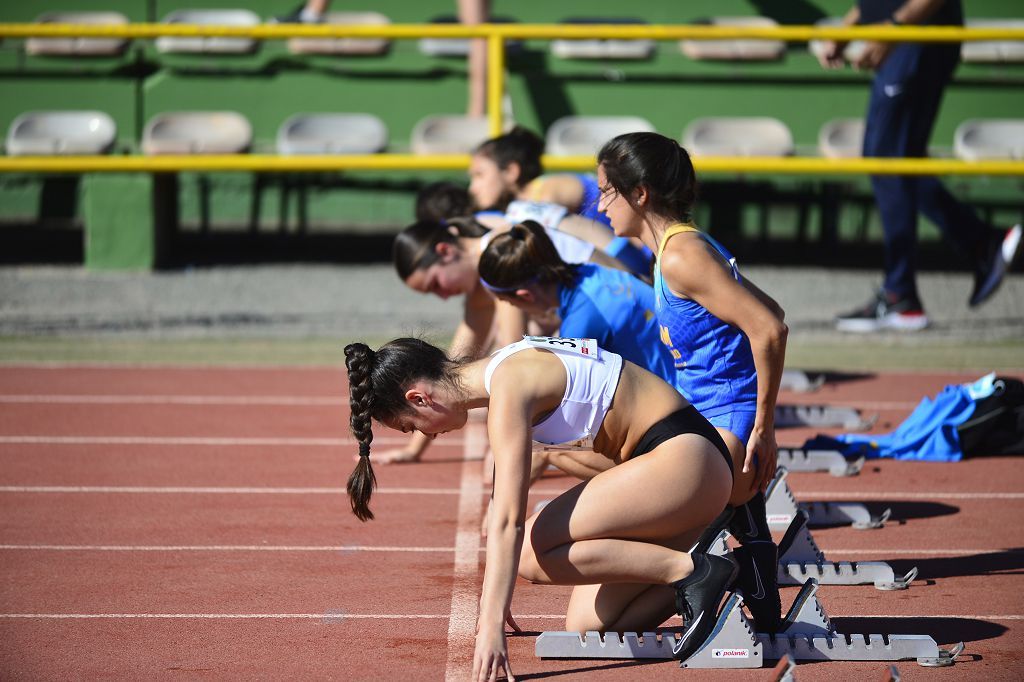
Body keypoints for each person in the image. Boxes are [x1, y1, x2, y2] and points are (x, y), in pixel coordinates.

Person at [343, 335, 737, 676]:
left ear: (419, 398)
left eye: (412, 426)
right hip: (683, 470)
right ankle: (734, 573)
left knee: (532, 549)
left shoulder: (509, 384)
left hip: (686, 460)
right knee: (591, 629)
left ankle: (693, 569)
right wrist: (496, 598)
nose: (427, 435)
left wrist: (491, 621)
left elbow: (508, 519)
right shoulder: (505, 371)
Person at [596, 131, 790, 633]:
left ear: (639, 194)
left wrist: (761, 429)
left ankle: (729, 539)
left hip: (726, 433)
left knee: (600, 611)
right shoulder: (676, 251)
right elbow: (771, 309)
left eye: (606, 192)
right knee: (592, 623)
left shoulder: (683, 256)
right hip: (702, 425)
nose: (599, 206)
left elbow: (769, 328)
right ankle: (737, 557)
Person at [817, 0, 1022, 332]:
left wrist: (895, 29)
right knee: (899, 159)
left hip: (914, 37)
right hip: (909, 36)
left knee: (885, 157)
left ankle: (902, 295)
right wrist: (849, 27)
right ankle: (980, 243)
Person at [374, 219, 627, 464]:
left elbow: (514, 353)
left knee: (544, 444)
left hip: (615, 310)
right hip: (606, 312)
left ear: (445, 251)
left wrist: (505, 441)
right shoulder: (483, 276)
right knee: (546, 446)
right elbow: (443, 370)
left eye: (436, 284)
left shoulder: (494, 262)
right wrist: (415, 444)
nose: (441, 296)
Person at [477, 220, 673, 479]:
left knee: (544, 446)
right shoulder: (590, 275)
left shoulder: (582, 323)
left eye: (506, 302)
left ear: (525, 296)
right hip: (678, 397)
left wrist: (506, 460)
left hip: (680, 423)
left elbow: (566, 419)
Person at [469, 127, 654, 274]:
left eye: (479, 175)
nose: (473, 188)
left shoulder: (548, 192)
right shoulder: (521, 206)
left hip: (642, 261)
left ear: (511, 172)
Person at [416, 180, 652, 279]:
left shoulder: (489, 234)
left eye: (479, 175)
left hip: (608, 261)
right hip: (615, 251)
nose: (475, 186)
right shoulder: (502, 215)